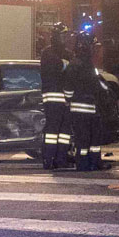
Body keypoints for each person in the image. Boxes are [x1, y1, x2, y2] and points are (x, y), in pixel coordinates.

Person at [66, 34, 104, 172]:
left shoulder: (74, 65)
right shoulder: (90, 66)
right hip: (92, 109)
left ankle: (82, 164)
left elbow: (68, 88)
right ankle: (94, 163)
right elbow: (97, 86)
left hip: (78, 109)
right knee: (93, 139)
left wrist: (68, 99)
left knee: (81, 139)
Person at [38, 27, 70, 169]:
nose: (65, 38)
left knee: (65, 131)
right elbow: (57, 66)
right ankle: (48, 159)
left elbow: (69, 70)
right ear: (56, 36)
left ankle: (61, 159)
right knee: (52, 130)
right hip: (53, 97)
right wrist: (64, 63)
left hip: (65, 98)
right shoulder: (48, 53)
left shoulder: (66, 53)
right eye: (63, 35)